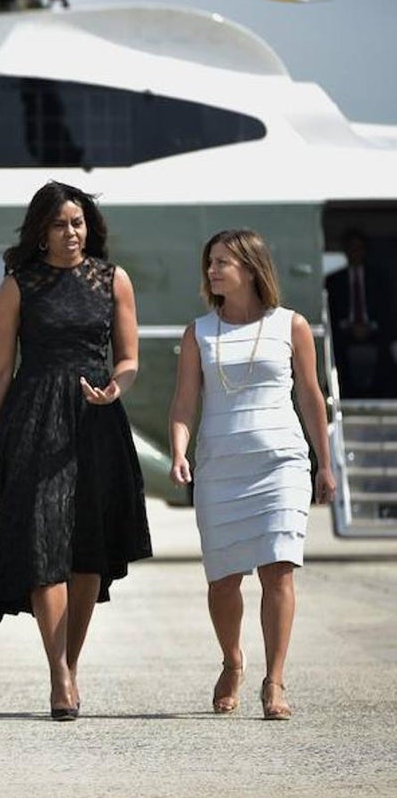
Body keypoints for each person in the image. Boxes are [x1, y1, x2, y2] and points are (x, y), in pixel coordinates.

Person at [0, 181, 152, 721]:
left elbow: (129, 358)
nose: (71, 232)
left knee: (88, 548)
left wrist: (117, 386)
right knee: (43, 542)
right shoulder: (18, 285)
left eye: (77, 222)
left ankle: (71, 661)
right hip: (33, 419)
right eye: (59, 224)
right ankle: (59, 675)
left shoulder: (113, 279)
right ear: (41, 231)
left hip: (96, 420)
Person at [169, 228, 335, 721]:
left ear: (250, 267)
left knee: (278, 569)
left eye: (222, 262)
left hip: (281, 461)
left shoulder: (291, 325)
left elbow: (310, 395)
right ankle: (232, 661)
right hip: (220, 466)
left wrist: (325, 463)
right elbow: (184, 402)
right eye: (210, 262)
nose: (212, 270)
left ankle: (275, 680)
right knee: (223, 581)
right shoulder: (199, 332)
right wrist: (179, 451)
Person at [325, 229, 393, 398]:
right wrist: (349, 327)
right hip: (343, 332)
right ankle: (345, 393)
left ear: (365, 251)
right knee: (335, 350)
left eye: (359, 248)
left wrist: (370, 327)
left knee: (386, 352)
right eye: (351, 248)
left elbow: (387, 310)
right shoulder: (333, 281)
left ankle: (379, 395)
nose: (355, 252)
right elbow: (330, 312)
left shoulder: (379, 279)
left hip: (375, 330)